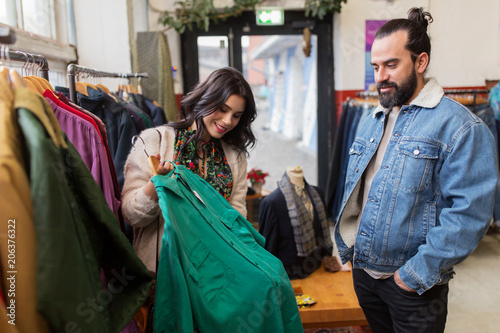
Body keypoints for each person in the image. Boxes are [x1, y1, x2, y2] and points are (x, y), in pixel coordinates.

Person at [334, 7, 497, 333]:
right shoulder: (372, 119)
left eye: (391, 65)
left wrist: (413, 276)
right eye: (376, 66)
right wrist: (348, 251)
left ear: (420, 62)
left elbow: (470, 214)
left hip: (414, 285)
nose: (380, 76)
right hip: (365, 275)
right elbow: (358, 189)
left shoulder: (461, 127)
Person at [121, 67, 256, 273]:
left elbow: (237, 217)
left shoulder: (234, 157)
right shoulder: (155, 141)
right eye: (222, 108)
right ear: (205, 99)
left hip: (214, 274)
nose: (228, 121)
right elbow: (131, 215)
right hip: (165, 272)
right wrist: (156, 184)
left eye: (236, 115)